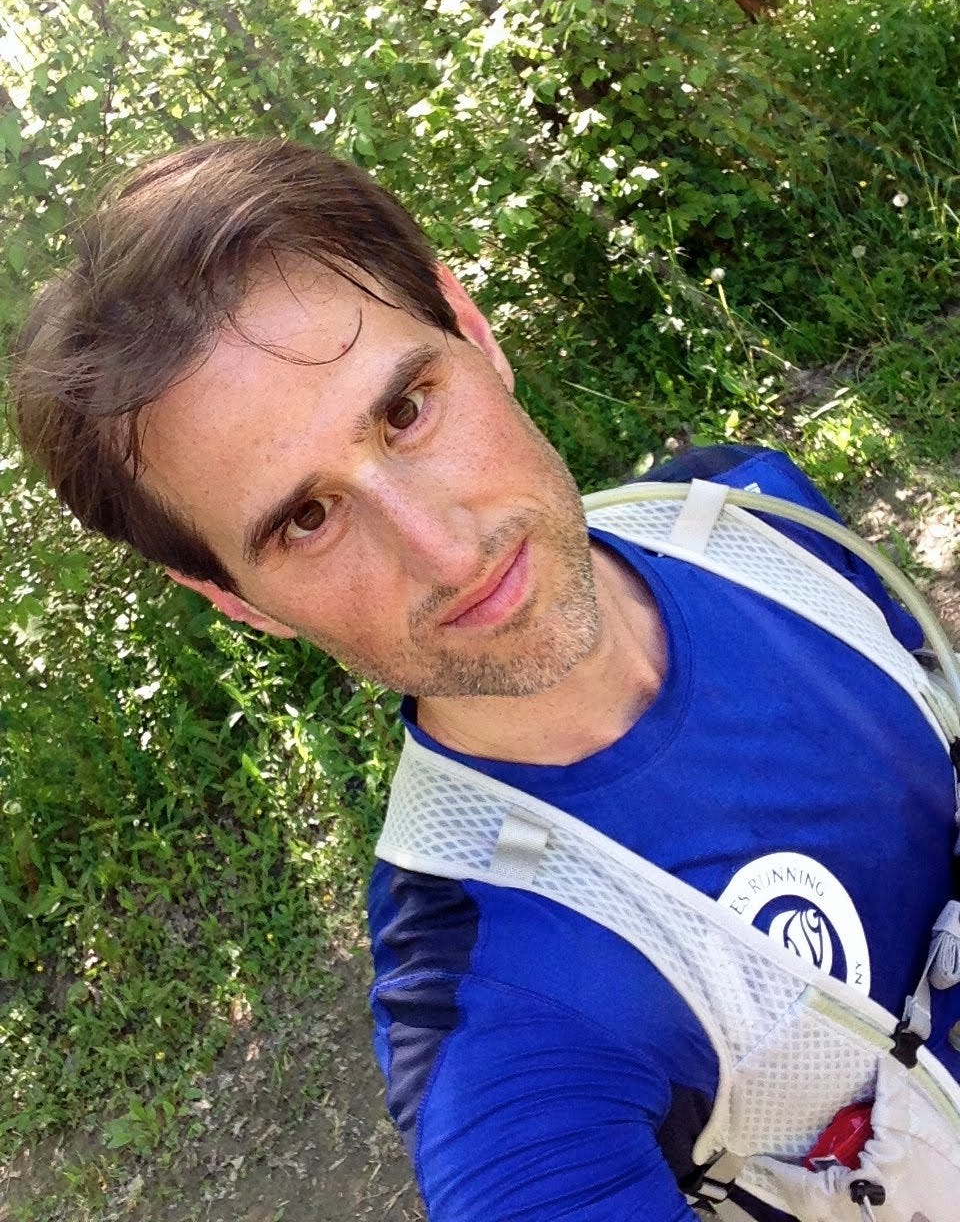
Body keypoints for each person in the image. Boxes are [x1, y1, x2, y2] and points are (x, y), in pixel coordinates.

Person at [12, 137, 960, 1222]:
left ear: (472, 327)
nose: (444, 549)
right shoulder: (498, 1019)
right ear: (235, 599)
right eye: (307, 518)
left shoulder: (748, 515)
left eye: (406, 409)